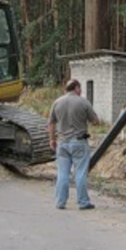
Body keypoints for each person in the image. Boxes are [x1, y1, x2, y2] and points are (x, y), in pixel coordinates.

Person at [47, 79, 101, 210]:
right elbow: (95, 121)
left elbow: (51, 123)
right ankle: (83, 202)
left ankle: (60, 202)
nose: (81, 91)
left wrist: (52, 139)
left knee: (62, 173)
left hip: (62, 143)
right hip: (79, 142)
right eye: (80, 88)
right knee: (80, 173)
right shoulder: (83, 102)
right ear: (76, 88)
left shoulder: (57, 102)